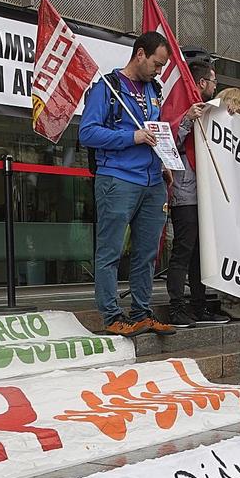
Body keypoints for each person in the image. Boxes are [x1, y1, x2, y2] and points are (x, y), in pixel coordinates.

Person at [78, 31, 174, 335]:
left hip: (152, 179)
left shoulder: (153, 90)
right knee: (110, 251)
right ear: (140, 54)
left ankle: (142, 311)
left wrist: (164, 161)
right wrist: (131, 137)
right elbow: (87, 133)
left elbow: (155, 130)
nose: (158, 71)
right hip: (117, 179)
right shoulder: (107, 87)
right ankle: (111, 315)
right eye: (156, 64)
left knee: (147, 252)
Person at [164, 52, 227, 327]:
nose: (216, 86)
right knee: (184, 249)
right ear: (201, 83)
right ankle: (177, 305)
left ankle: (200, 304)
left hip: (204, 191)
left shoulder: (210, 110)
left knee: (202, 251)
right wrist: (188, 118)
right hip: (186, 190)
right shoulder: (183, 107)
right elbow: (170, 140)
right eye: (213, 81)